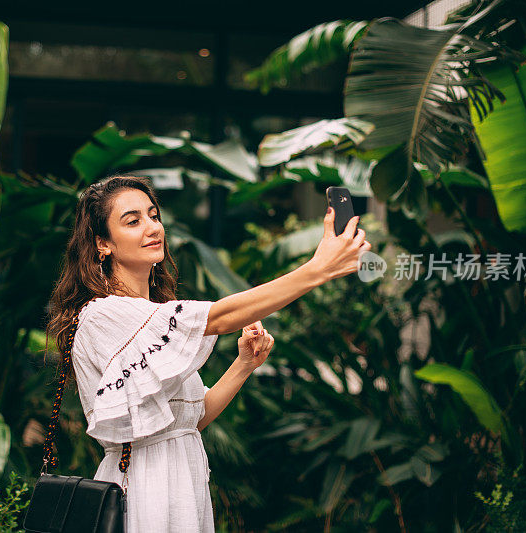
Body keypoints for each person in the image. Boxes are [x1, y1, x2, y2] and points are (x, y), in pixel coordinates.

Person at [46, 175, 370, 532]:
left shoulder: (152, 316)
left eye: (154, 215)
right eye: (133, 221)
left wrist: (244, 365)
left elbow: (190, 421)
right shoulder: (104, 314)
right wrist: (316, 270)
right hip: (142, 488)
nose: (152, 227)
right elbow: (220, 317)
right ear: (103, 244)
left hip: (184, 483)